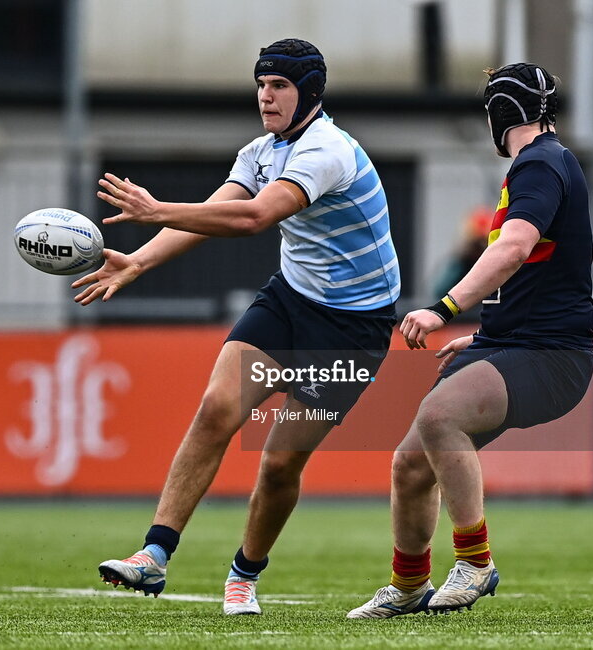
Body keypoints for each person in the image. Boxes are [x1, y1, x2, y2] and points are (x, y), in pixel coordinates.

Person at [73, 38, 400, 616]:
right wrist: (139, 261)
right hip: (290, 301)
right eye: (261, 85)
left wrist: (156, 209)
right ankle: (153, 555)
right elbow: (218, 207)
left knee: (278, 465)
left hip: (354, 328)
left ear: (311, 93)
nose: (265, 96)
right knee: (218, 408)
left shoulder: (327, 151)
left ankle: (243, 576)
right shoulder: (258, 152)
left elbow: (254, 217)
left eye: (280, 86)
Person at [347, 63, 593, 619]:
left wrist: (444, 310)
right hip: (514, 343)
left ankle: (475, 563)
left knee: (440, 418)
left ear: (499, 113)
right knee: (411, 465)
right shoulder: (545, 163)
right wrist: (484, 334)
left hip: (551, 355)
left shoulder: (540, 163)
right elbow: (535, 275)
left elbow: (512, 251)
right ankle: (409, 586)